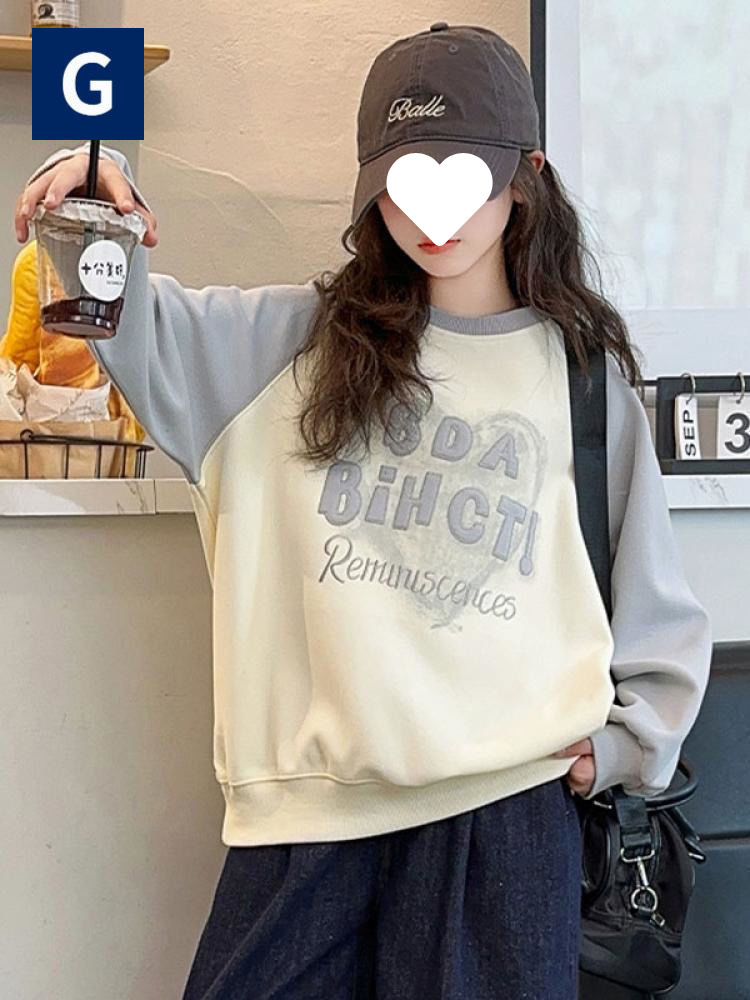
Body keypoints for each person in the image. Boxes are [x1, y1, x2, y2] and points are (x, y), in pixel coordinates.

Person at [14, 23, 712, 1000]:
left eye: (463, 175)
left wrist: (628, 742)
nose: (430, 212)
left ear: (525, 177)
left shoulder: (582, 381)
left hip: (506, 820)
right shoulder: (280, 347)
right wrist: (94, 190)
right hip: (305, 824)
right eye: (402, 180)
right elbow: (113, 308)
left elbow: (653, 604)